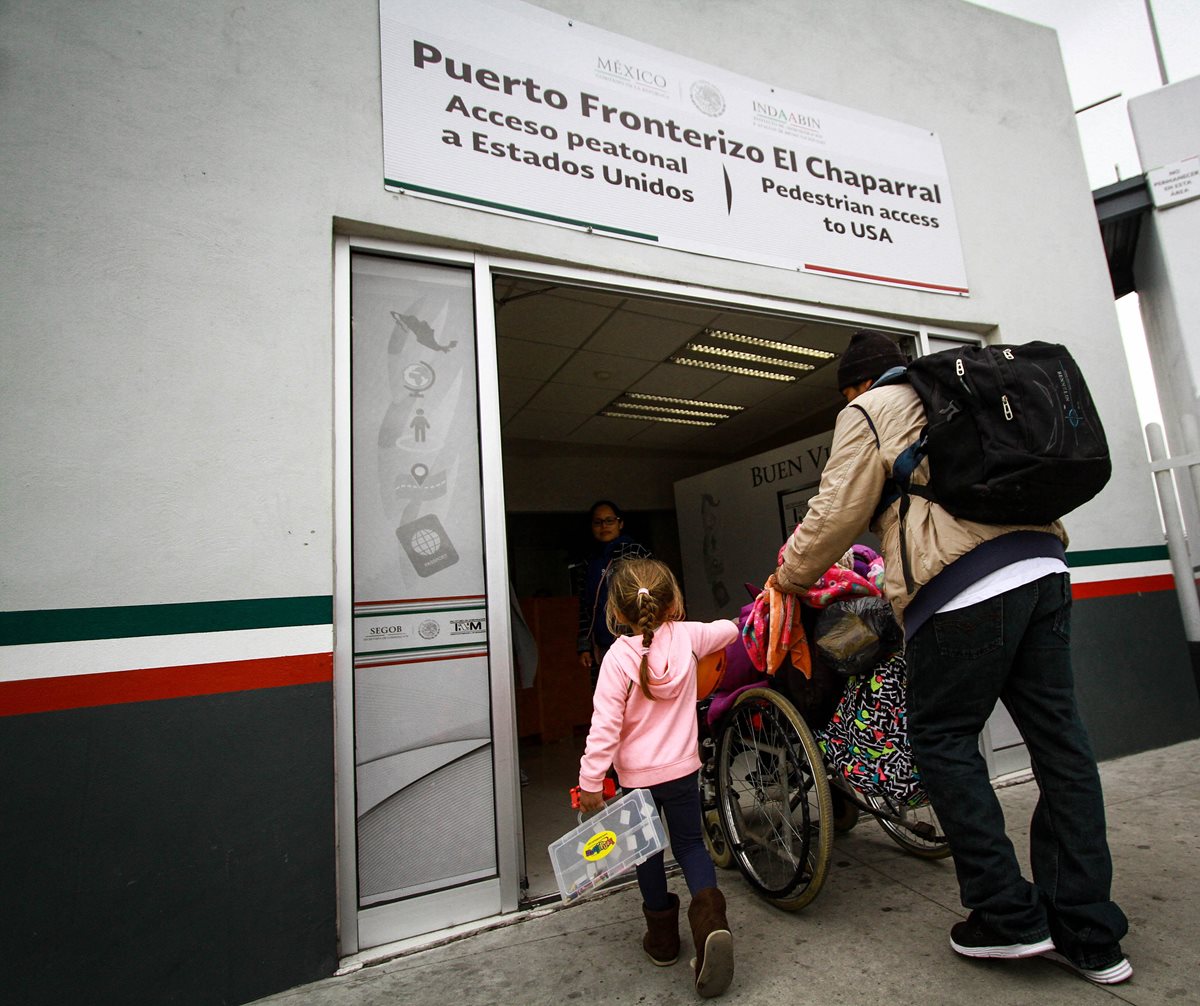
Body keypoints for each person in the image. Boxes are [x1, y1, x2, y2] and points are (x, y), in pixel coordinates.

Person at [765, 329, 1131, 986]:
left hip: (963, 587)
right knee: (1062, 748)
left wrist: (787, 577)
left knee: (943, 740)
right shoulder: (966, 391)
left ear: (854, 385)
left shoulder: (870, 409)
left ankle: (1008, 916)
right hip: (1044, 569)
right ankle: (1091, 932)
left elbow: (833, 512)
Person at [577, 558, 738, 999]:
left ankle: (663, 943)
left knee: (647, 854)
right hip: (683, 771)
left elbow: (604, 726)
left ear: (619, 612)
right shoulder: (689, 637)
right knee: (690, 845)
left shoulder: (617, 659)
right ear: (673, 604)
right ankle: (712, 927)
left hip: (637, 781)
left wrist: (591, 781)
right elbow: (730, 630)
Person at [577, 500, 651, 690]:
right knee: (607, 697)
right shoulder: (589, 561)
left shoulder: (635, 552)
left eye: (609, 520)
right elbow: (585, 607)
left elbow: (654, 591)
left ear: (620, 523)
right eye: (598, 522)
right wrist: (584, 645)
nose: (604, 526)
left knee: (636, 695)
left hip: (633, 639)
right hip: (600, 644)